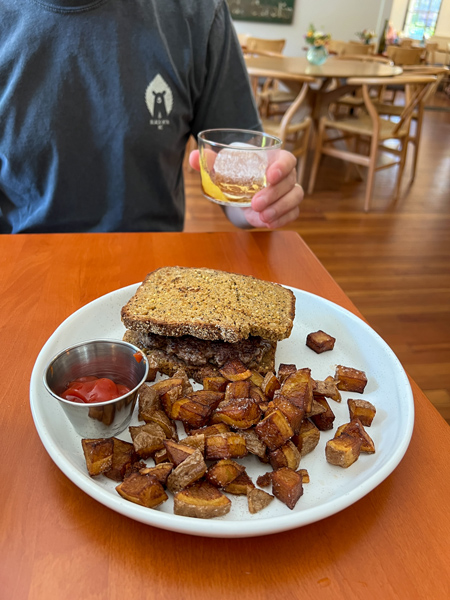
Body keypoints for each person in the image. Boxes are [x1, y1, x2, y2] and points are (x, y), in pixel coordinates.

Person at [0, 0, 303, 234]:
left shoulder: (196, 13)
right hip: (25, 267)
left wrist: (261, 202)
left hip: (152, 276)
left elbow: (236, 179)